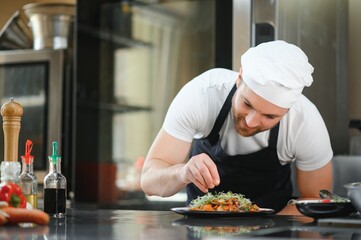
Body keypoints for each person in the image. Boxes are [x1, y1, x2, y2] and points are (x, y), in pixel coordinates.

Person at [140, 40, 333, 214]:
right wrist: (182, 173)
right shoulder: (202, 95)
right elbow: (149, 181)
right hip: (202, 229)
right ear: (239, 78)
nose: (250, 121)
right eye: (247, 104)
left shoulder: (305, 122)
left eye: (270, 116)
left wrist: (269, 228)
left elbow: (316, 200)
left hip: (273, 231)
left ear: (288, 109)